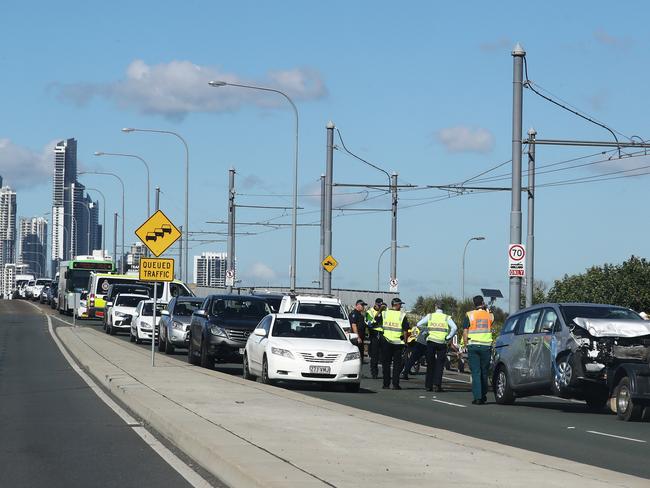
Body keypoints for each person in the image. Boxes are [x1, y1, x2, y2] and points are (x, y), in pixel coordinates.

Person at [463, 295, 494, 405]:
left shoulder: (469, 315)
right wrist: (487, 310)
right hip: (486, 346)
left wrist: (466, 345)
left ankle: (477, 397)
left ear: (474, 303)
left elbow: (465, 332)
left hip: (473, 346)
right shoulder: (490, 315)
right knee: (484, 372)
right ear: (483, 302)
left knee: (476, 372)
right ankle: (484, 394)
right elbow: (491, 323)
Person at [418, 305, 457, 392]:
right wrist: (448, 337)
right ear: (443, 308)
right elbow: (454, 328)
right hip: (441, 343)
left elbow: (418, 324)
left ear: (435, 307)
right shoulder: (447, 317)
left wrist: (427, 331)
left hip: (431, 341)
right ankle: (437, 385)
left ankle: (428, 385)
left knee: (430, 363)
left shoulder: (430, 316)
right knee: (440, 365)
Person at [380, 297, 410, 390]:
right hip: (398, 343)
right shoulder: (402, 315)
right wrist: (405, 342)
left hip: (386, 341)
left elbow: (378, 325)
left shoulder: (384, 313)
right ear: (396, 305)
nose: (401, 306)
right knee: (397, 365)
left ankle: (386, 384)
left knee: (386, 364)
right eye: (400, 304)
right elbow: (405, 330)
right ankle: (395, 384)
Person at [365, 298, 386, 379]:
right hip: (374, 334)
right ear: (375, 304)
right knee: (374, 356)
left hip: (383, 334)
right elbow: (370, 323)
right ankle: (374, 373)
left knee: (384, 355)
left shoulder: (385, 311)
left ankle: (385, 373)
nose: (380, 307)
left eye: (381, 305)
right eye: (379, 305)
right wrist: (379, 312)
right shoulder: (369, 312)